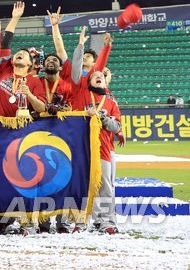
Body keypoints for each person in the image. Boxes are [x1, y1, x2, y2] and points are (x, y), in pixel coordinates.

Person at [68, 26, 122, 234]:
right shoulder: (81, 92)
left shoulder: (111, 102)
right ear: (88, 81)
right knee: (81, 185)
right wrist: (81, 45)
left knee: (105, 185)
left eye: (101, 75)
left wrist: (102, 117)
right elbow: (80, 68)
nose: (98, 75)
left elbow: (116, 126)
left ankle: (107, 221)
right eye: (94, 75)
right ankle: (80, 221)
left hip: (103, 149)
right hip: (81, 148)